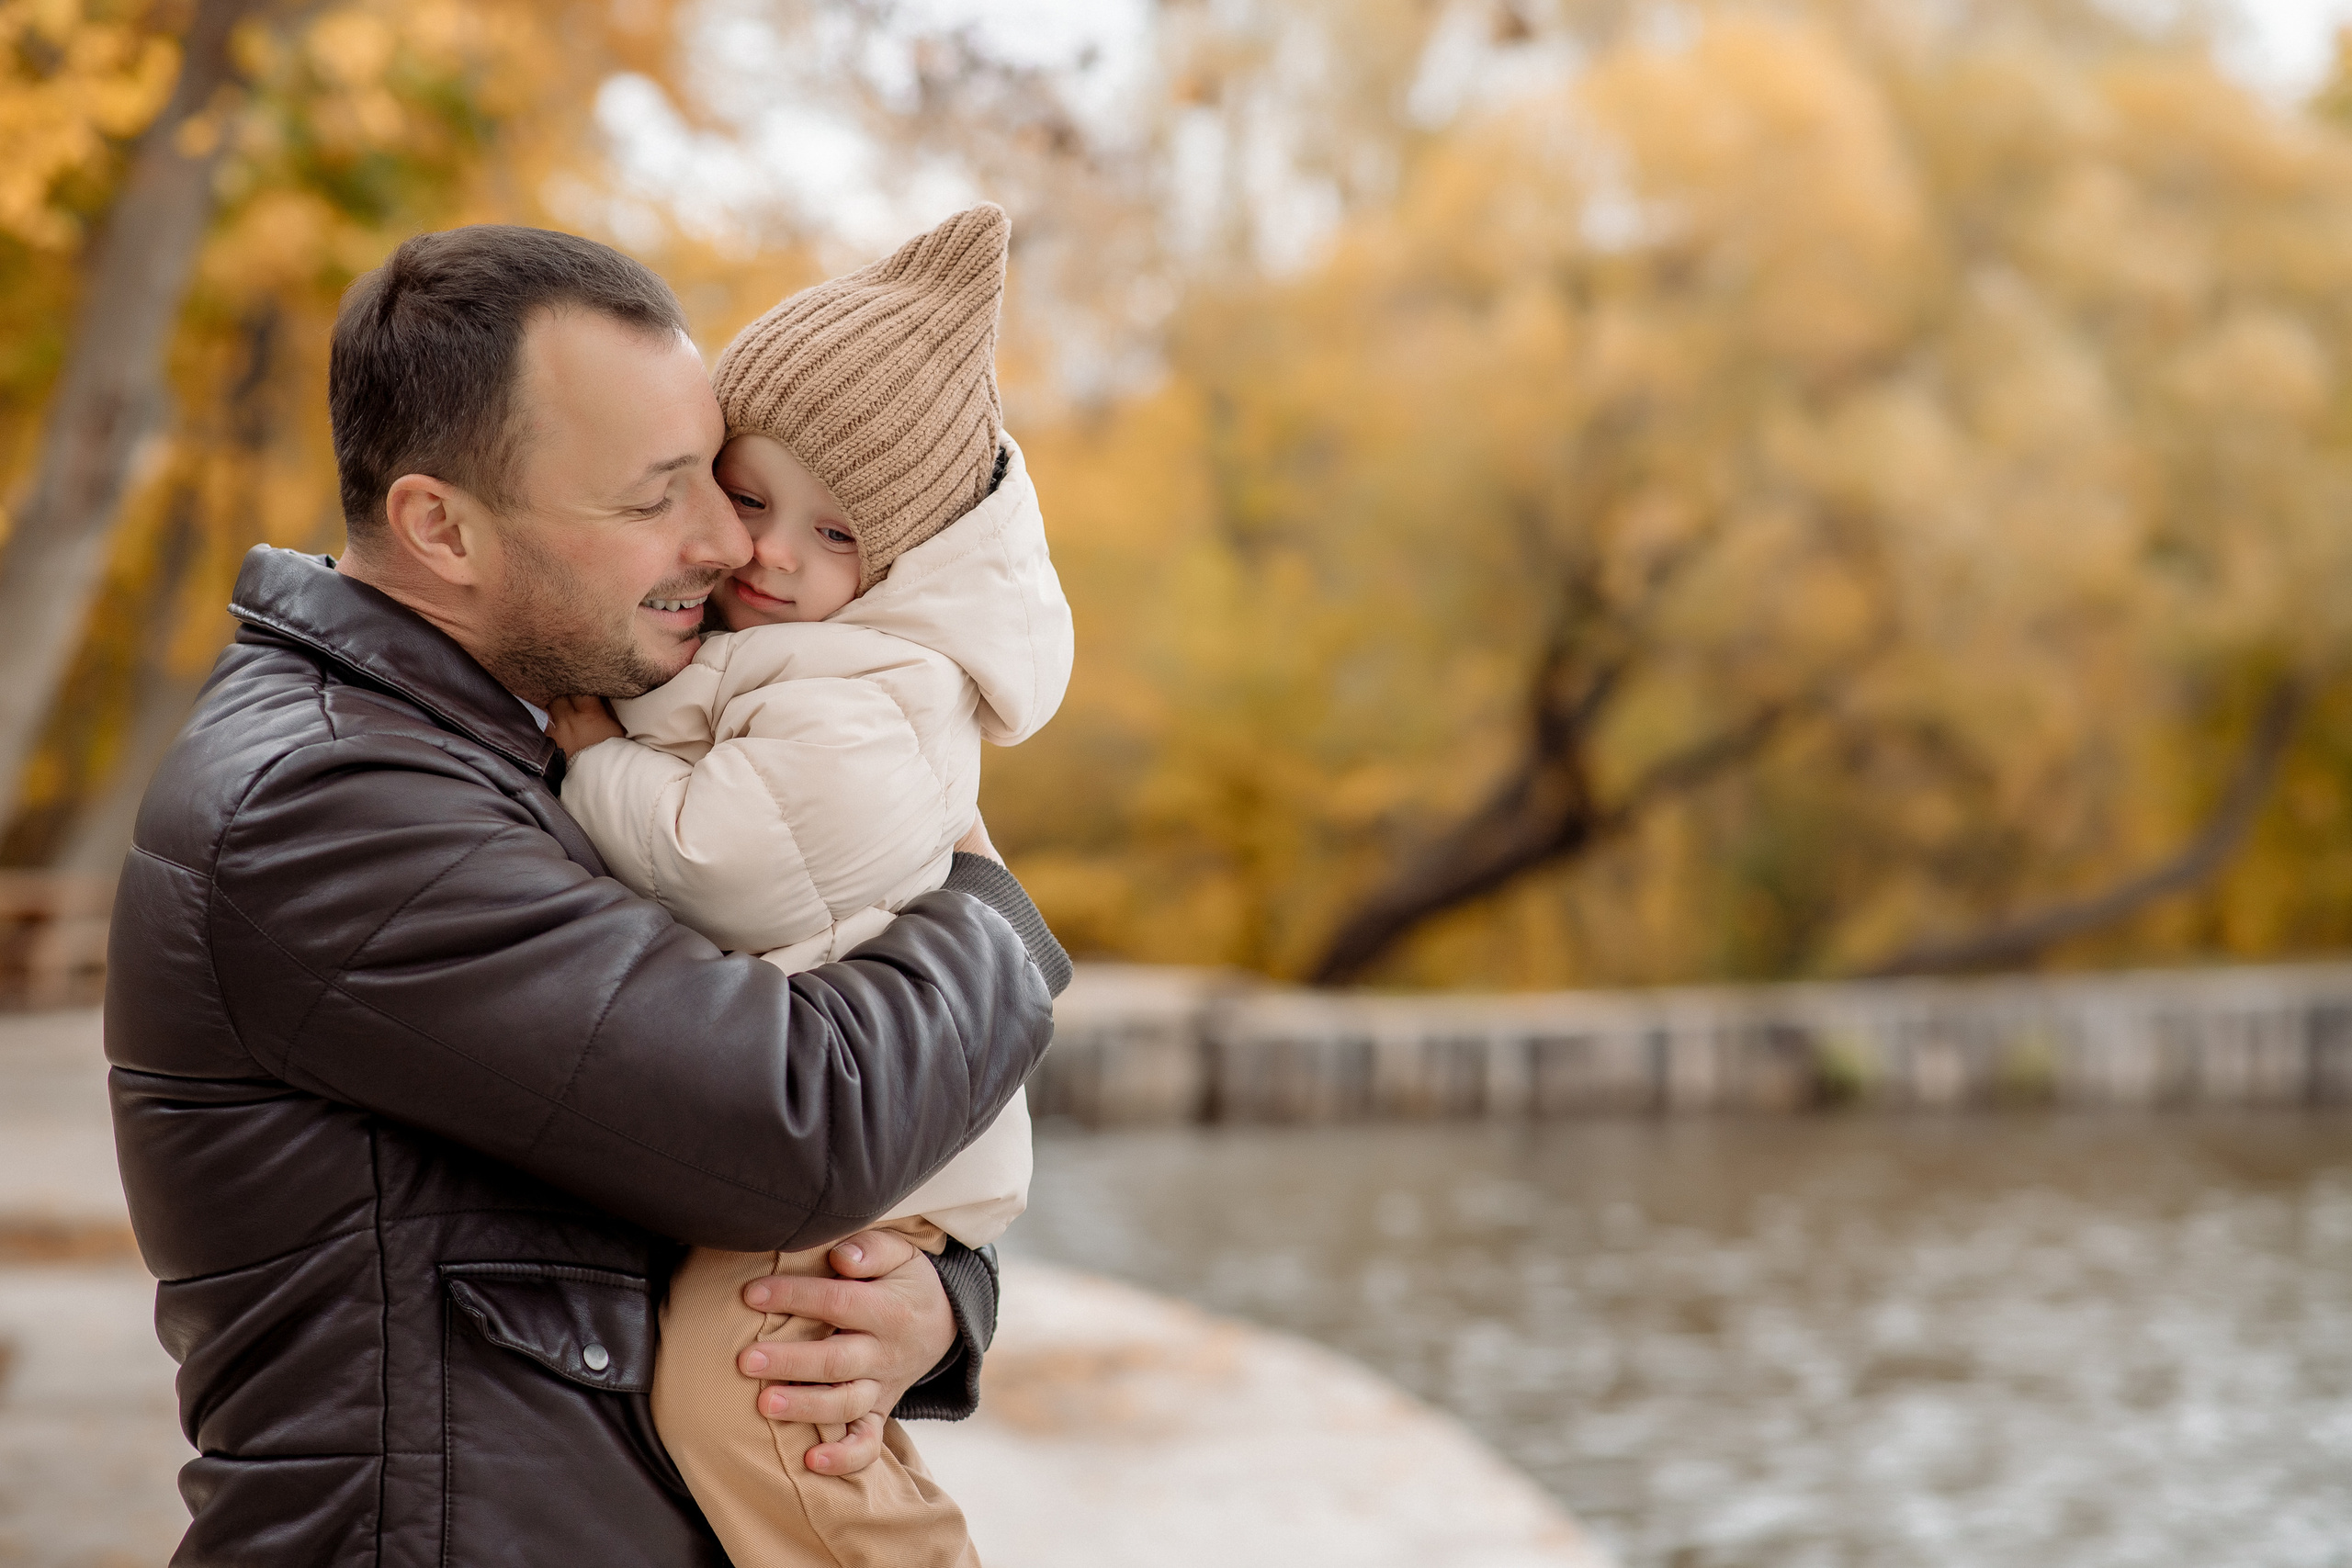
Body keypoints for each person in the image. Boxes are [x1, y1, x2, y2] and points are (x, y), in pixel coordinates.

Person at [102, 222, 1069, 1567]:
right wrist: (995, 913)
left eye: (719, 478)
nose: (730, 539)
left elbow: (665, 1145)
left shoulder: (514, 735)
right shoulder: (329, 808)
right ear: (441, 527)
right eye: (657, 495)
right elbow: (794, 1124)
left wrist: (932, 1297)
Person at [550, 203, 1066, 1567]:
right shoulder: (796, 655)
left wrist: (595, 758)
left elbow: (727, 864)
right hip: (833, 1130)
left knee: (760, 1406)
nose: (768, 553)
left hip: (861, 1159)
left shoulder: (875, 690)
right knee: (772, 1410)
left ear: (896, 566)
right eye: (750, 496)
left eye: (834, 536)